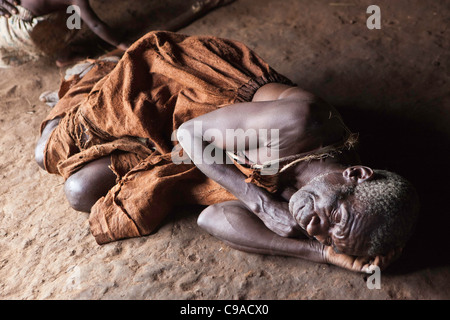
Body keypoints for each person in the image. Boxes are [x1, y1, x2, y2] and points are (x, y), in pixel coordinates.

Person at [35, 31, 420, 273]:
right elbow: (189, 133)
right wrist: (262, 204)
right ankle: (94, 72)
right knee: (47, 152)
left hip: (209, 147)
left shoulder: (318, 208)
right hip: (186, 94)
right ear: (356, 174)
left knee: (80, 193)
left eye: (329, 237)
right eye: (333, 215)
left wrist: (320, 254)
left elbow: (213, 219)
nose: (315, 226)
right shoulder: (304, 123)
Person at [0, 0, 130, 67]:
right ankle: (63, 55)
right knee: (75, 17)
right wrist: (121, 43)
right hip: (22, 31)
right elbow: (95, 25)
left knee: (71, 11)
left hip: (7, 21)